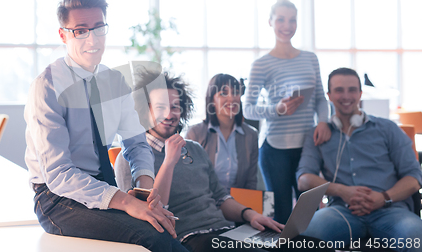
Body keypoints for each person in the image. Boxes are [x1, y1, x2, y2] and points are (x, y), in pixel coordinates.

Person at [24, 0, 186, 252]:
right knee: (153, 237)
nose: (92, 38)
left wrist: (146, 188)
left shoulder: (114, 81)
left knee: (163, 226)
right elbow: (58, 174)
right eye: (81, 30)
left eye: (99, 28)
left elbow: (136, 143)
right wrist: (126, 202)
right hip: (57, 198)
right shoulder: (47, 87)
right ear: (63, 35)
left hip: (103, 187)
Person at [115, 69, 333, 252]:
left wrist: (251, 215)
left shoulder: (195, 149)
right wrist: (169, 161)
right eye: (161, 107)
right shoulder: (131, 158)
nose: (170, 114)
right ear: (146, 110)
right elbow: (148, 215)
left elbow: (220, 197)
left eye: (175, 106)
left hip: (226, 230)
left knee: (310, 245)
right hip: (188, 237)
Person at [297, 67, 422, 252]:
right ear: (329, 95)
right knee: (308, 235)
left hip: (391, 210)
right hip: (341, 211)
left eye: (352, 90)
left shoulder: (387, 128)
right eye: (339, 90)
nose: (346, 96)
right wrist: (341, 190)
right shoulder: (319, 134)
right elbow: (304, 179)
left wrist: (383, 198)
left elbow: (414, 177)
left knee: (415, 235)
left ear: (360, 93)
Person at [243, 0, 331, 224]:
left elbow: (321, 98)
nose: (287, 25)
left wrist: (323, 121)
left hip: (309, 147)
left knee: (311, 212)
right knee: (282, 214)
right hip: (275, 149)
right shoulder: (261, 65)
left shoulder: (310, 58)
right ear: (270, 21)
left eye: (292, 20)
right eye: (281, 19)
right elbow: (248, 109)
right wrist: (277, 109)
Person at [186, 73, 259, 191]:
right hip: (205, 202)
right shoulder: (195, 133)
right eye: (223, 93)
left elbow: (251, 183)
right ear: (212, 100)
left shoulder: (251, 135)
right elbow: (190, 179)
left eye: (235, 92)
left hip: (238, 204)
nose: (232, 98)